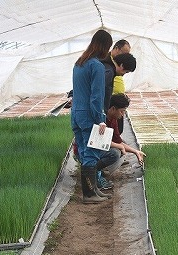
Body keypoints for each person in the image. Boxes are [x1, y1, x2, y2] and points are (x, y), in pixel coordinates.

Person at [70, 29, 113, 204]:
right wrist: (100, 119)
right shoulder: (96, 66)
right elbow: (96, 96)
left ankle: (93, 189)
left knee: (83, 149)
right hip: (88, 115)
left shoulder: (79, 63)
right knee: (91, 153)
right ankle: (89, 194)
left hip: (76, 114)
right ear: (105, 46)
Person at [96, 93, 146, 190]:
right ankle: (94, 173)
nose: (123, 114)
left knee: (122, 146)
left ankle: (99, 169)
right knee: (115, 153)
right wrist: (120, 147)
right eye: (122, 111)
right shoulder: (101, 118)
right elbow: (98, 141)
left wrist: (136, 151)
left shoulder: (113, 120)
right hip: (87, 149)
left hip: (98, 147)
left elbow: (118, 141)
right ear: (113, 108)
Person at [110, 40, 131, 134]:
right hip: (112, 103)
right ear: (117, 49)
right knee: (111, 130)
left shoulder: (118, 64)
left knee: (118, 130)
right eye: (124, 53)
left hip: (119, 101)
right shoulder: (108, 63)